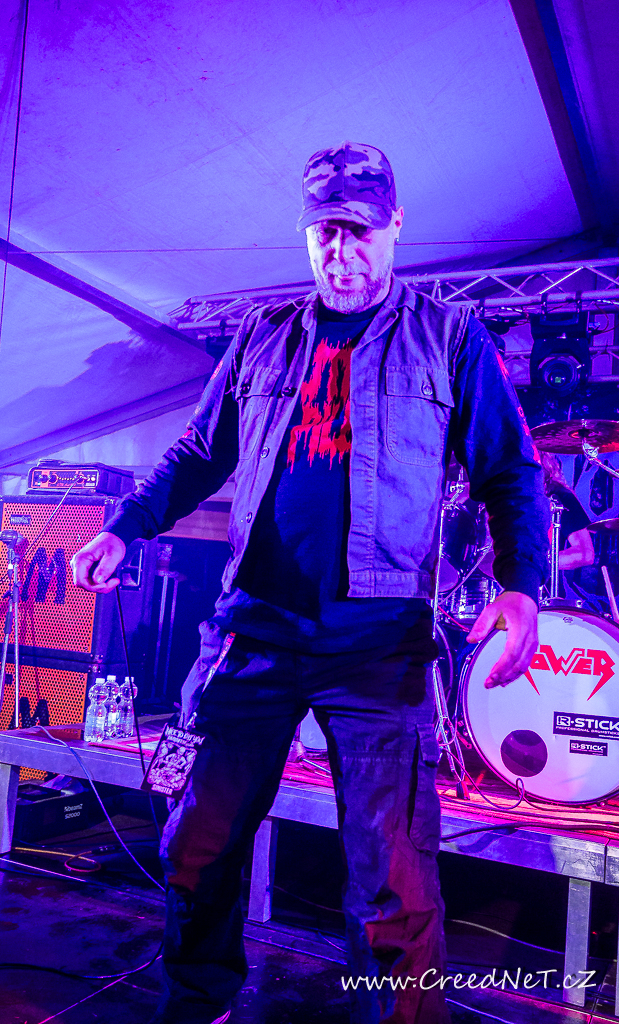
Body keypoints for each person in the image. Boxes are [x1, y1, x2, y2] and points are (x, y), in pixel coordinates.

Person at [72, 142, 549, 1024]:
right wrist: (123, 525)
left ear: (395, 226)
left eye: (358, 231)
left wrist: (521, 586)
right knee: (197, 846)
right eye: (324, 232)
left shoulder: (447, 336)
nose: (341, 251)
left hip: (377, 646)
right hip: (253, 630)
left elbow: (509, 472)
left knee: (392, 880)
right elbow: (197, 453)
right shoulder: (262, 335)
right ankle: (198, 1002)